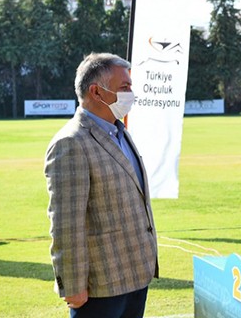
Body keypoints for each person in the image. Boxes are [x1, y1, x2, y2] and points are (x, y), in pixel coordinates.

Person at [45, 52, 159, 317]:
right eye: (125, 88)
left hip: (135, 276)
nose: (132, 93)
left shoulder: (120, 132)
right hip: (101, 285)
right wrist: (72, 285)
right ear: (97, 92)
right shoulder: (71, 143)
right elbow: (66, 223)